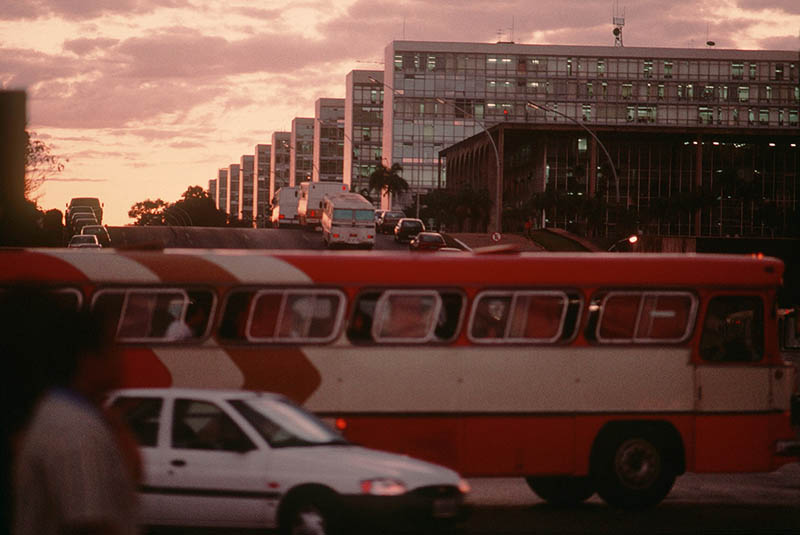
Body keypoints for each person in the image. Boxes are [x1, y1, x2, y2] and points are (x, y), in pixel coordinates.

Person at [6, 288, 140, 535]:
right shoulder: (73, 430)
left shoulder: (78, 418)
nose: (121, 357)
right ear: (88, 360)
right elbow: (87, 524)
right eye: (113, 346)